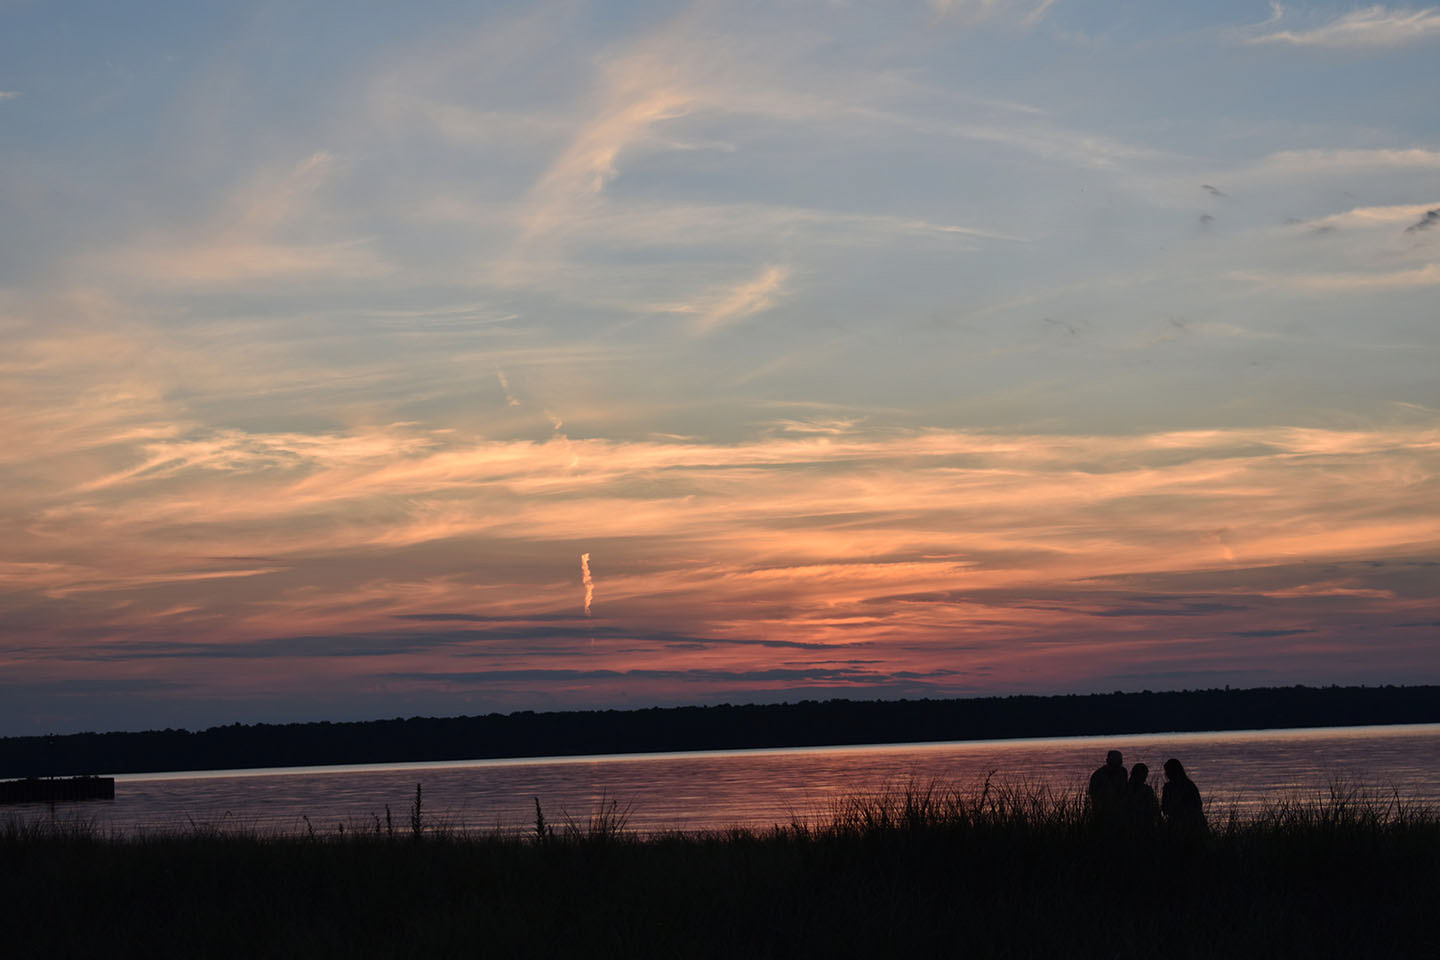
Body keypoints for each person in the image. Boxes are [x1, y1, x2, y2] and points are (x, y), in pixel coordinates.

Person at [1161, 757, 1206, 831]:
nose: (1166, 774)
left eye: (1168, 771)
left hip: (1189, 823)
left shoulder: (1187, 785)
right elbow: (1165, 808)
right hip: (1177, 823)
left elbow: (1197, 805)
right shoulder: (1169, 787)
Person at [1088, 749, 1127, 822]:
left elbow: (1124, 790)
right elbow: (1093, 795)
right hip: (1103, 812)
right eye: (1115, 762)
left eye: (1119, 762)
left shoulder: (1123, 772)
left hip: (1120, 811)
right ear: (1108, 761)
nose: (1118, 765)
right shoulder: (1098, 775)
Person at [1126, 762, 1160, 827]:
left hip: (1130, 822)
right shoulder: (1147, 790)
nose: (1146, 776)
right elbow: (1153, 808)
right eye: (1145, 774)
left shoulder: (1125, 788)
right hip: (1143, 822)